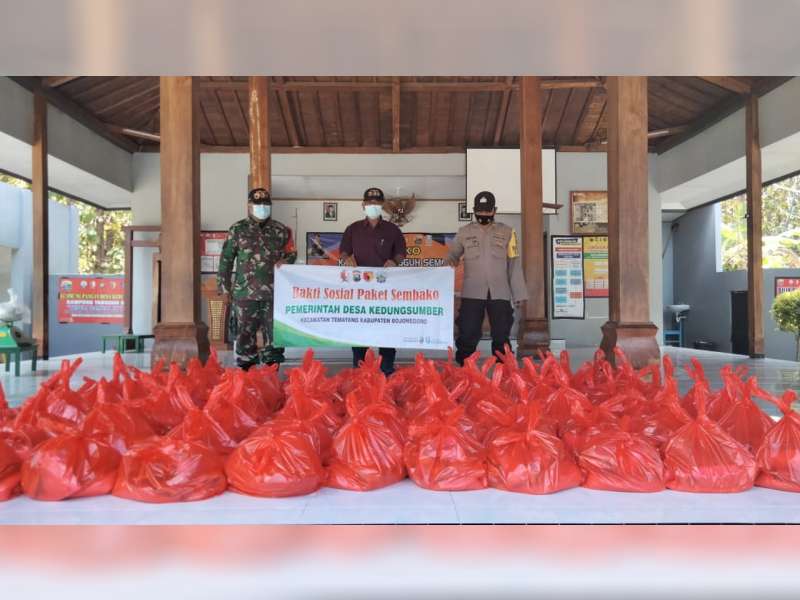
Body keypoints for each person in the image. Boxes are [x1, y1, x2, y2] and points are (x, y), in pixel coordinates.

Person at [217, 188, 297, 369]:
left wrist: (286, 260)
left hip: (274, 294)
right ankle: (247, 376)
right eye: (258, 204)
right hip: (245, 293)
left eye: (266, 205)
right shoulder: (237, 229)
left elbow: (292, 253)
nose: (262, 208)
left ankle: (272, 375)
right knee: (244, 335)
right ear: (249, 206)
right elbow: (226, 260)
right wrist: (224, 288)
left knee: (275, 335)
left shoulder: (281, 230)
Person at [447, 190, 527, 365]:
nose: (483, 214)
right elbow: (452, 255)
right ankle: (465, 369)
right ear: (474, 211)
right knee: (468, 331)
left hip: (500, 292)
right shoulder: (464, 232)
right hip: (472, 292)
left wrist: (519, 294)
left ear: (494, 210)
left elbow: (514, 264)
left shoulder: (508, 232)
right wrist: (449, 261)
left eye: (487, 211)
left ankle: (503, 371)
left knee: (501, 333)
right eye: (480, 211)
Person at [339, 187, 406, 376]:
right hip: (360, 291)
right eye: (369, 203)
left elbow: (401, 253)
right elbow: (343, 251)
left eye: (377, 203)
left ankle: (387, 371)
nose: (373, 206)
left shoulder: (392, 230)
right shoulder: (353, 229)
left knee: (387, 331)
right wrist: (347, 259)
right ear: (363, 205)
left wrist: (395, 261)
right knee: (359, 331)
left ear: (382, 205)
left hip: (385, 291)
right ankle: (360, 371)